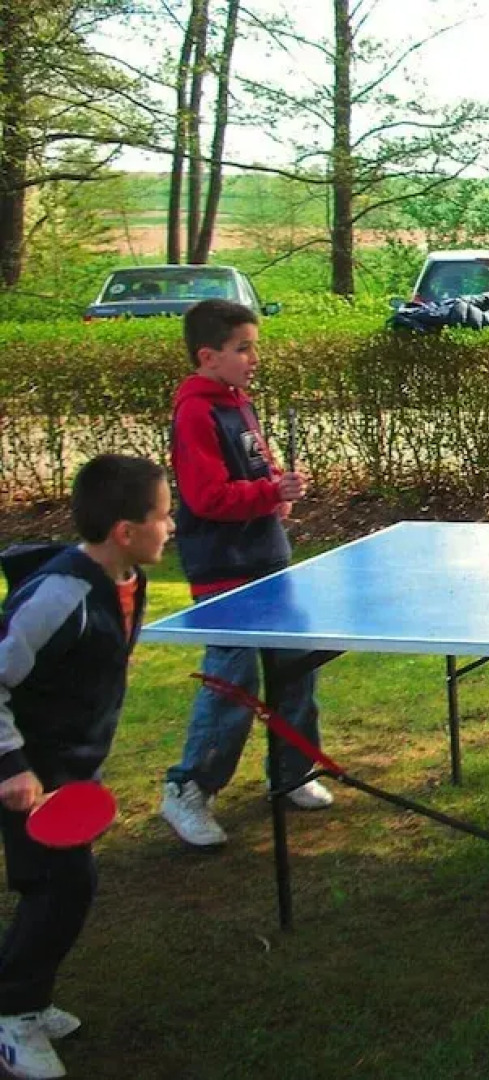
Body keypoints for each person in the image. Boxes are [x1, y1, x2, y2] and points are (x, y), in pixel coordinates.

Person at [0, 454, 172, 1079]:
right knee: (59, 888)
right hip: (28, 772)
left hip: (70, 766)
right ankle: (13, 1015)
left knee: (63, 886)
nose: (171, 525)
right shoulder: (58, 595)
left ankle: (27, 998)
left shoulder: (126, 576)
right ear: (125, 530)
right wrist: (13, 766)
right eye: (162, 515)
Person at [159, 299, 332, 849]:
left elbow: (257, 468)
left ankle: (292, 771)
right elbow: (207, 497)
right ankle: (190, 788)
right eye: (243, 349)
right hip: (222, 567)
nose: (254, 358)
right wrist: (266, 493)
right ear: (208, 356)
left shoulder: (238, 402)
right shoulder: (195, 411)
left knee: (295, 666)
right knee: (233, 683)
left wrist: (280, 488)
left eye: (254, 346)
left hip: (267, 559)